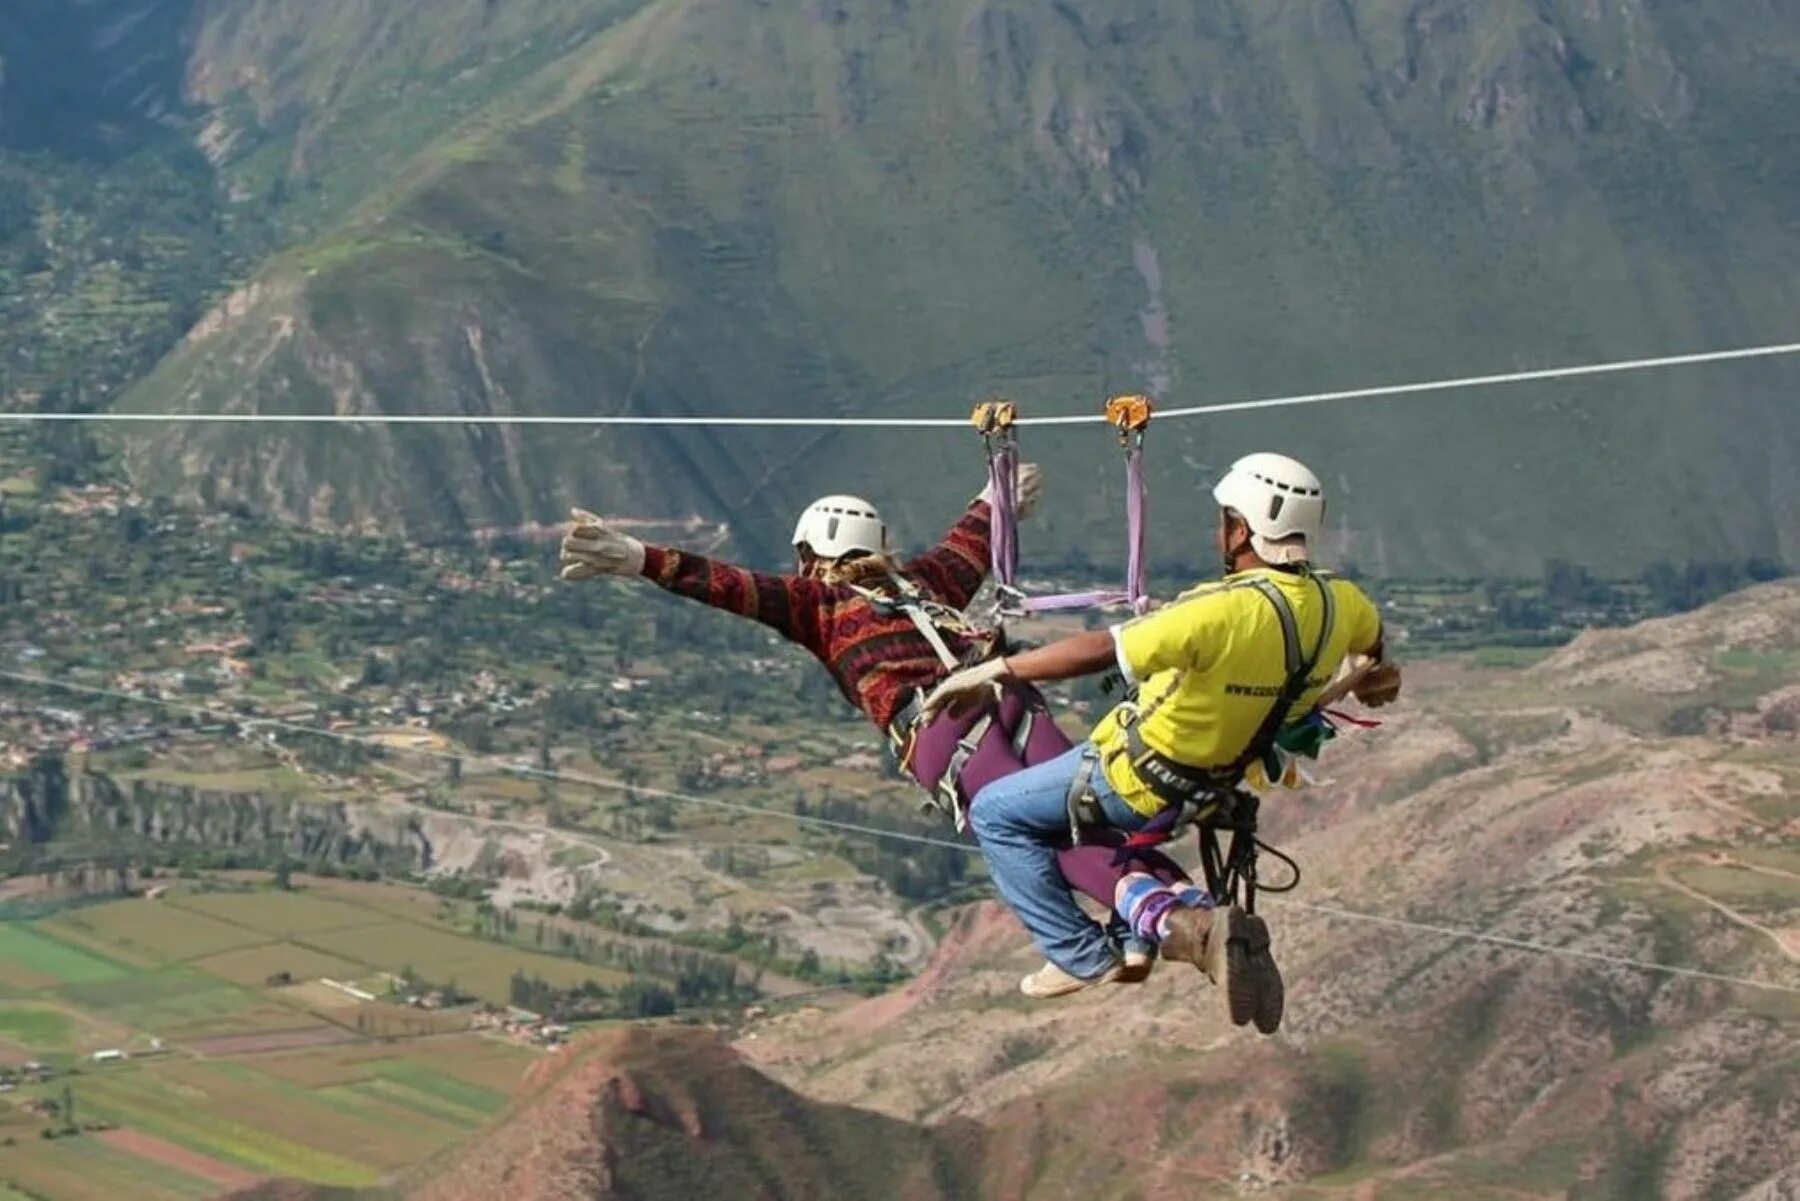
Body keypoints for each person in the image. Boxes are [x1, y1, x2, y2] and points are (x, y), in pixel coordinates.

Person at [556, 467, 1207, 997]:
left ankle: (1114, 931)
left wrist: (639, 557)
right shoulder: (928, 579)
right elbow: (974, 532)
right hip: (1010, 695)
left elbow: (729, 585)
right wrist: (996, 493)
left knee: (1028, 826)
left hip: (942, 726)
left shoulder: (820, 604)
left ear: (811, 555)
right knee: (1082, 811)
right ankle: (1186, 902)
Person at [922, 453, 1402, 1031]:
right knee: (1062, 820)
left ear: (1240, 528)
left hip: (1135, 776)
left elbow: (1103, 650)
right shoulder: (1340, 603)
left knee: (996, 812)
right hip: (1214, 785)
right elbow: (1373, 650)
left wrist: (997, 672)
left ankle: (1077, 955)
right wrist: (1368, 677)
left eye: (1224, 519)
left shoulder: (1220, 610)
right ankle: (1179, 924)